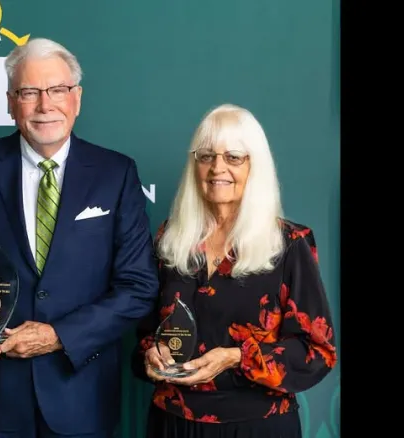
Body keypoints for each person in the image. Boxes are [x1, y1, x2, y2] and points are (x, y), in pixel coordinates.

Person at [0, 37, 160, 438]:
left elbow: (138, 287)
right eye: (29, 92)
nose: (44, 105)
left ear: (77, 98)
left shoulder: (115, 173)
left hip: (82, 396)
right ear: (9, 101)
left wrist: (58, 336)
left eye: (57, 90)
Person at [132, 104, 337, 437]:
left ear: (256, 166)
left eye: (234, 157)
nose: (217, 168)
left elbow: (317, 352)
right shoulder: (171, 238)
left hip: (258, 425)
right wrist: (152, 354)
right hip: (172, 421)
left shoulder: (289, 243)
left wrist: (234, 357)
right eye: (206, 156)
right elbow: (146, 330)